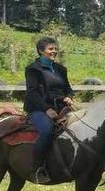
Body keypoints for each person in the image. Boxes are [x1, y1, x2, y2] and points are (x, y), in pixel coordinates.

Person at [24, 36, 75, 183]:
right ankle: (37, 168)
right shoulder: (33, 69)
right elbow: (32, 93)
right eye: (50, 49)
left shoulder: (61, 69)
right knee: (46, 131)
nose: (54, 51)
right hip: (38, 108)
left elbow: (68, 89)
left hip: (61, 107)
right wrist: (46, 109)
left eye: (55, 48)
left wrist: (68, 97)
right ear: (41, 51)